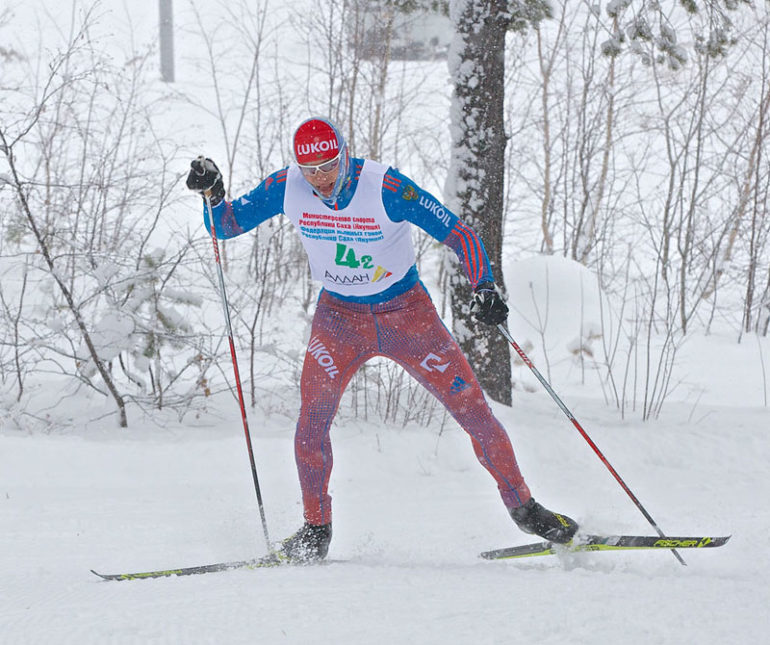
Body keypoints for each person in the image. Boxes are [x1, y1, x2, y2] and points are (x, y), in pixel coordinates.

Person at [186, 116, 578, 562]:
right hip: (339, 318)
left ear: (345, 155)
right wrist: (214, 195)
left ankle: (525, 509)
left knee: (473, 409)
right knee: (312, 420)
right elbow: (226, 225)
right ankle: (316, 530)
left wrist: (484, 285)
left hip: (407, 315)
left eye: (329, 166)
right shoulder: (287, 186)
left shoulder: (386, 187)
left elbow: (460, 234)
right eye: (310, 170)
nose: (320, 178)